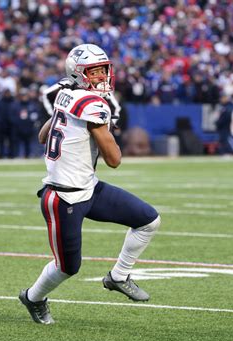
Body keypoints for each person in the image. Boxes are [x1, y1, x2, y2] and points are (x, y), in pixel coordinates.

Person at [18, 44, 161, 325]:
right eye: (94, 72)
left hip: (89, 187)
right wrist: (104, 130)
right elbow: (115, 159)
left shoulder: (66, 94)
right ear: (78, 74)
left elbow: (42, 135)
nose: (101, 77)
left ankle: (118, 276)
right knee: (68, 267)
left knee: (149, 220)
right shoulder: (91, 104)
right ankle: (33, 297)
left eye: (103, 70)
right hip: (63, 197)